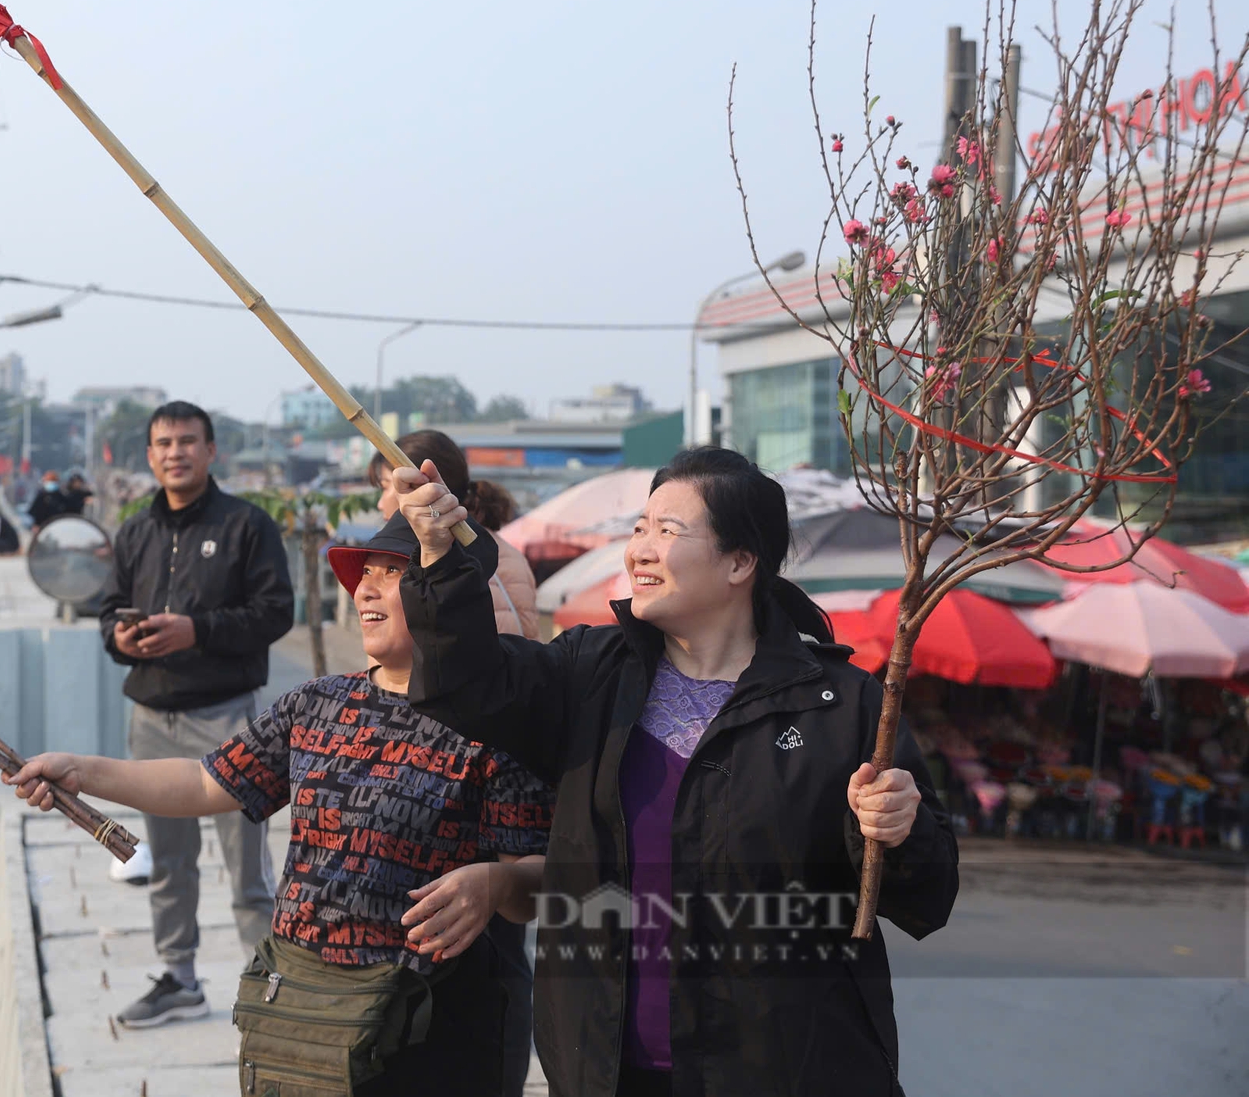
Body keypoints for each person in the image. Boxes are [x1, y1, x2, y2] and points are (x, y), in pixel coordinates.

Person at [392, 446, 958, 1097]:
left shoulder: (842, 705)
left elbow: (925, 899)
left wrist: (896, 828)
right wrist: (440, 560)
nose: (640, 549)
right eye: (639, 529)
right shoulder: (589, 674)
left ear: (740, 562)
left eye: (668, 531)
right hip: (608, 1073)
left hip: (787, 1072)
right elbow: (464, 689)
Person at [10, 512, 553, 1093]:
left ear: (449, 594)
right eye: (363, 573)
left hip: (428, 1027)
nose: (363, 590)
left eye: (391, 574)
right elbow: (203, 783)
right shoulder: (320, 702)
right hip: (301, 1012)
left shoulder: (493, 722)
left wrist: (494, 884)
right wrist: (83, 770)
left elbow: (537, 881)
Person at [96, 400, 296, 1028]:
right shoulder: (134, 532)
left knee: (248, 868)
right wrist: (119, 639)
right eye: (163, 443)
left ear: (212, 452)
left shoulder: (247, 525)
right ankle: (179, 977)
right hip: (152, 717)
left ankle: (270, 986)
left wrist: (196, 631)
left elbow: (275, 613)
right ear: (150, 456)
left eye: (187, 441)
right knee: (165, 860)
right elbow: (108, 610)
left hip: (228, 719)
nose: (175, 452)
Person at [368, 429, 539, 1095]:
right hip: (413, 776)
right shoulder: (385, 553)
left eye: (399, 483)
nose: (389, 497)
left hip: (489, 776)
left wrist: (455, 577)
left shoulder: (496, 559)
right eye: (385, 483)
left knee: (495, 948)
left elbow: (517, 665)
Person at [372, 430, 537, 638]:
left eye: (386, 487)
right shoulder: (509, 553)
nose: (380, 504)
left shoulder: (435, 565)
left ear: (424, 487)